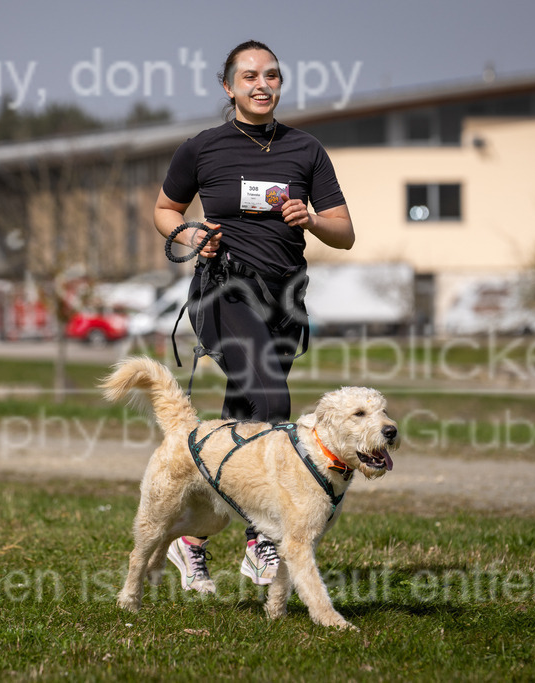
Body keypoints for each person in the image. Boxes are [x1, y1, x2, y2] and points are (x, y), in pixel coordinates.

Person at [153, 40, 355, 594]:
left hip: (285, 298)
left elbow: (346, 231)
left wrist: (311, 220)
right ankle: (263, 537)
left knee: (242, 417)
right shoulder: (202, 148)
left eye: (271, 76)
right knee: (270, 395)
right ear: (229, 87)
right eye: (248, 77)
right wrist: (190, 232)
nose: (261, 85)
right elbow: (166, 208)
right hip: (224, 292)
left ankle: (189, 541)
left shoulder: (305, 149)